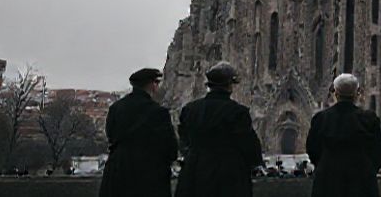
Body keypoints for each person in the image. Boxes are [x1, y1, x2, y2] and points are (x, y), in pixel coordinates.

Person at [175, 62, 263, 197]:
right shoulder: (237, 112)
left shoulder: (190, 109)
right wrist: (253, 163)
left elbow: (183, 139)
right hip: (227, 176)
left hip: (194, 173)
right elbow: (248, 144)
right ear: (229, 86)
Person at [99, 68, 179, 197]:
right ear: (153, 85)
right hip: (149, 172)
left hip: (119, 169)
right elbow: (169, 147)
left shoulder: (116, 107)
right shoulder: (159, 112)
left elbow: (111, 135)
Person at [306, 73, 381, 197]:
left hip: (328, 180)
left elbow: (312, 148)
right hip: (361, 180)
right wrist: (369, 168)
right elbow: (380, 150)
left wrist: (325, 164)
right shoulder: (369, 119)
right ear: (357, 94)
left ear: (335, 94)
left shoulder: (321, 119)